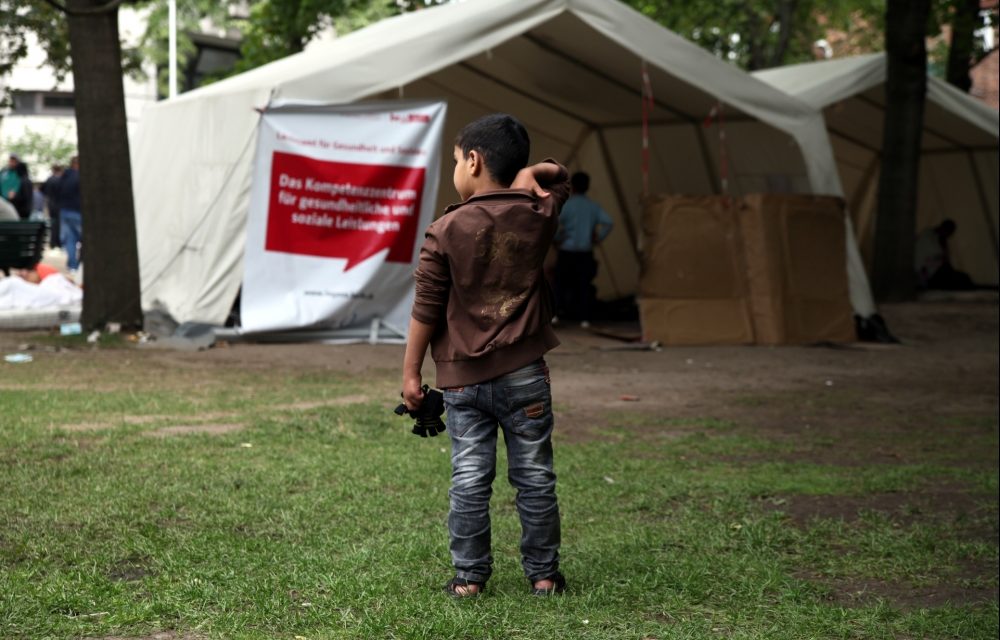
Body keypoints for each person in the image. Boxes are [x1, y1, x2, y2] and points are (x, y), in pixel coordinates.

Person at [401, 113, 571, 599]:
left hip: (463, 382)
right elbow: (561, 178)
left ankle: (469, 579)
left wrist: (412, 373)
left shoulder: (446, 228)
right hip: (525, 376)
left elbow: (426, 306)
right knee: (535, 477)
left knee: (470, 479)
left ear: (473, 161)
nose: (455, 168)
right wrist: (531, 175)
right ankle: (543, 576)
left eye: (456, 160)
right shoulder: (538, 211)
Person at [554, 171, 612, 326]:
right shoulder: (593, 207)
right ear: (588, 186)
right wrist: (598, 238)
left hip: (567, 250)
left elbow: (553, 223)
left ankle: (556, 315)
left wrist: (558, 239)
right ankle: (584, 318)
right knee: (584, 284)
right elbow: (608, 222)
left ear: (571, 186)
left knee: (560, 282)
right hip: (585, 251)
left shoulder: (567, 205)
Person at [914, 219, 973, 290]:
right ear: (944, 229)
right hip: (926, 273)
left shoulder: (939, 239)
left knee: (963, 278)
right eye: (949, 233)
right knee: (957, 280)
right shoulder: (927, 236)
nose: (949, 236)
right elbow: (931, 256)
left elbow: (942, 259)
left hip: (936, 270)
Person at [55, 156, 82, 271]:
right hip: (77, 211)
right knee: (82, 238)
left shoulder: (64, 177)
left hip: (64, 211)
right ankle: (79, 264)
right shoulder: (79, 177)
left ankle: (72, 265)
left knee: (70, 240)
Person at [41, 164, 64, 247]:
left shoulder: (49, 179)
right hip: (59, 203)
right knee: (58, 223)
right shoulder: (61, 179)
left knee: (53, 223)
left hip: (51, 203)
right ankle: (57, 242)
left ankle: (53, 242)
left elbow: (42, 190)